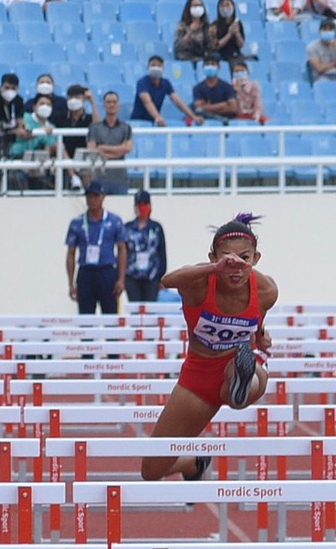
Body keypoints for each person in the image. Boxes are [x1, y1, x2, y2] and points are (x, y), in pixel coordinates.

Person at [140, 216, 277, 480]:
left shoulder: (266, 290)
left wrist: (260, 337)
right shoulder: (199, 284)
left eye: (244, 259)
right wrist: (214, 268)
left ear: (256, 258)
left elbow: (257, 324)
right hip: (199, 375)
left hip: (235, 363)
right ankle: (193, 464)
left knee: (246, 376)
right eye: (227, 259)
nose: (235, 267)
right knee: (151, 470)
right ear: (213, 257)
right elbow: (167, 280)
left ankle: (241, 382)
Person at [66, 180, 127, 314]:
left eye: (95, 196)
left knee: (111, 315)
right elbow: (71, 253)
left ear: (103, 197)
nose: (92, 200)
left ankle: (111, 336)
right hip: (86, 272)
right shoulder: (77, 223)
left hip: (107, 271)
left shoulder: (114, 221)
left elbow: (122, 249)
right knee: (86, 317)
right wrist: (71, 283)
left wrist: (121, 279)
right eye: (89, 197)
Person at [124, 190, 166, 302]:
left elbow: (161, 253)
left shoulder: (156, 228)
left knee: (150, 311)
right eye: (140, 205)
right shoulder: (127, 228)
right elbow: (123, 253)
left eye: (145, 204)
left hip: (152, 277)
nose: (143, 207)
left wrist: (161, 277)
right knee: (135, 310)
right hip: (132, 276)